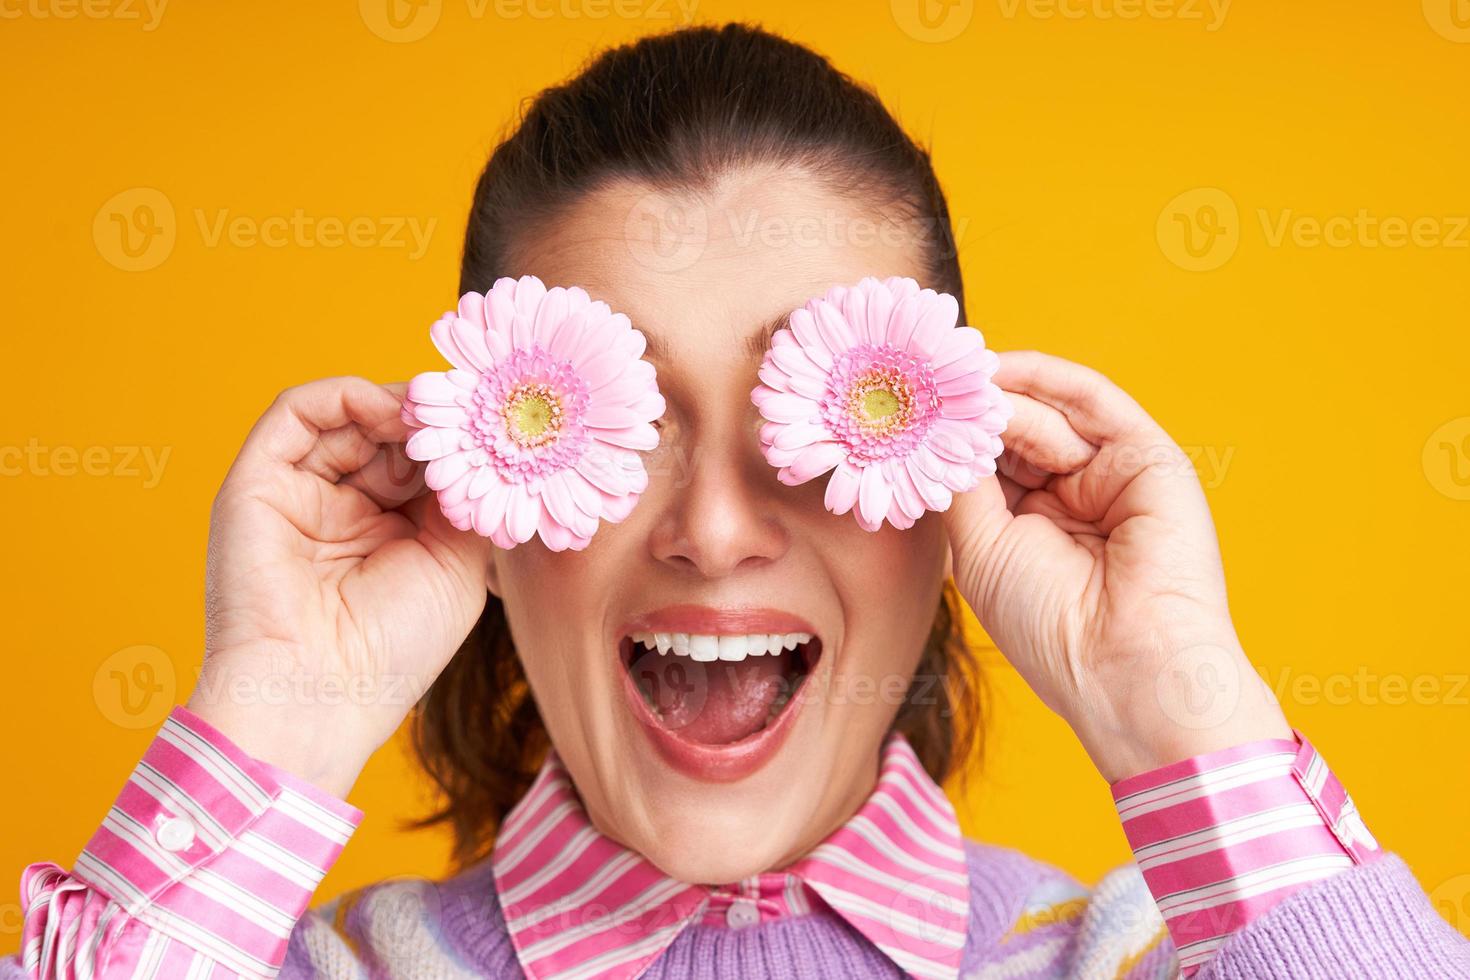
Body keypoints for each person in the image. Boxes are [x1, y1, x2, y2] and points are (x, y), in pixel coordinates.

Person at [11, 23, 1467, 980]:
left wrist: (1181, 708)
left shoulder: (1158, 958)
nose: (711, 530)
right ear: (478, 501)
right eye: (620, 423)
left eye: (813, 423)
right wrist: (271, 712)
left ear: (954, 479)